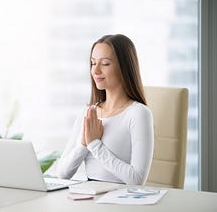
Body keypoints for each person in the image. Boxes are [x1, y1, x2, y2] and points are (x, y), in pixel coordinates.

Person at [56, 34, 154, 185]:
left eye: (105, 64)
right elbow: (62, 173)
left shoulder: (138, 113)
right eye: (93, 63)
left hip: (120, 201)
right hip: (89, 198)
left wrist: (95, 144)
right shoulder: (89, 112)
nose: (95, 71)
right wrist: (83, 144)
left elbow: (137, 179)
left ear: (124, 67)